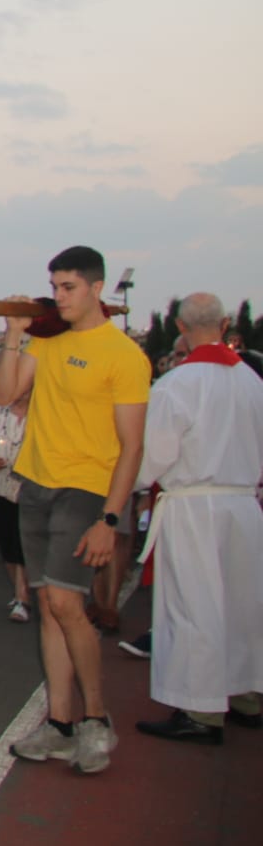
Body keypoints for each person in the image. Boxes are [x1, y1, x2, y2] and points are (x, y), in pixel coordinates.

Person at [0, 246, 150, 774]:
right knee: (48, 607)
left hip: (85, 489)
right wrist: (14, 335)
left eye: (69, 287)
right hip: (35, 484)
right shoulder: (45, 341)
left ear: (96, 288)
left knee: (66, 605)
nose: (59, 296)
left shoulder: (124, 354)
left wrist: (110, 518)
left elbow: (132, 447)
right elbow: (4, 393)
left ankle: (96, 719)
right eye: (55, 287)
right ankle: (60, 724)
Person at [131, 294, 263, 744]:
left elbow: (155, 457)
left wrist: (133, 484)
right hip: (244, 504)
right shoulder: (252, 380)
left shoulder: (176, 385)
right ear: (225, 324)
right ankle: (246, 694)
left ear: (181, 328)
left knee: (194, 605)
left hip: (193, 506)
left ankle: (200, 710)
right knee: (244, 605)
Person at [0, 393, 33, 623]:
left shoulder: (43, 411)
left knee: (24, 541)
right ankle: (19, 590)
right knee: (7, 538)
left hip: (29, 487)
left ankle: (23, 596)